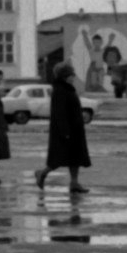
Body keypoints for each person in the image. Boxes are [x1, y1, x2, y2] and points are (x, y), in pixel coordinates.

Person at [35, 63, 91, 194]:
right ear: (65, 76)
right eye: (71, 75)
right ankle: (42, 173)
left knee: (75, 157)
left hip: (75, 129)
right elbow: (59, 113)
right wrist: (65, 132)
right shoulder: (60, 90)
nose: (73, 77)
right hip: (66, 131)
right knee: (59, 157)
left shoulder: (68, 88)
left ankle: (74, 183)